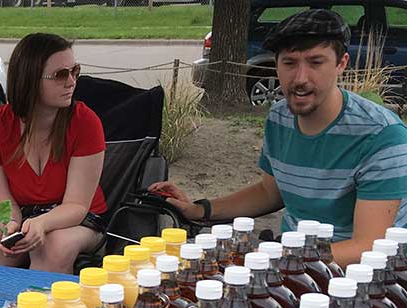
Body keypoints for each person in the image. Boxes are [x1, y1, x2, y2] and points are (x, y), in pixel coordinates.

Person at [150, 9, 407, 268]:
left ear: (341, 64)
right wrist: (200, 210)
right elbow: (270, 192)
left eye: (316, 62)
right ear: (276, 65)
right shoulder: (279, 117)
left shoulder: (381, 135)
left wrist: (272, 262)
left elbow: (366, 246)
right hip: (290, 260)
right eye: (290, 63)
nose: (300, 79)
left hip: (359, 282)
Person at [0, 33, 107, 273]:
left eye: (75, 71)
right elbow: (2, 202)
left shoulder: (86, 122)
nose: (72, 81)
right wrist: (12, 225)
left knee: (55, 246)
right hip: (21, 213)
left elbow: (76, 205)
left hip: (78, 218)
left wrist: (42, 224)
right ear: (30, 79)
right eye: (60, 75)